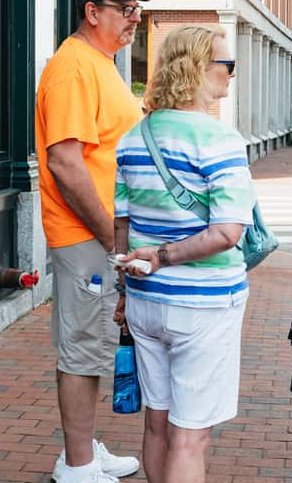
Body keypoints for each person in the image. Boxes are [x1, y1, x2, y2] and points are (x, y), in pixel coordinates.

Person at [112, 25, 255, 483]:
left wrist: (126, 288)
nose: (231, 75)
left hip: (144, 301)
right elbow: (228, 233)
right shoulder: (219, 140)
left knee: (157, 425)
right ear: (197, 69)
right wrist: (165, 256)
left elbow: (121, 226)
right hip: (203, 305)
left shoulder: (134, 138)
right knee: (191, 437)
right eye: (226, 65)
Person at [35, 0, 149, 483]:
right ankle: (77, 465)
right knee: (83, 347)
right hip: (85, 235)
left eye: (137, 10)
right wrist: (109, 235)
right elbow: (65, 161)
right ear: (93, 12)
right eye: (126, 9)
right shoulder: (72, 67)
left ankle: (83, 447)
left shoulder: (100, 65)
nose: (134, 18)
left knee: (96, 344)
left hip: (99, 234)